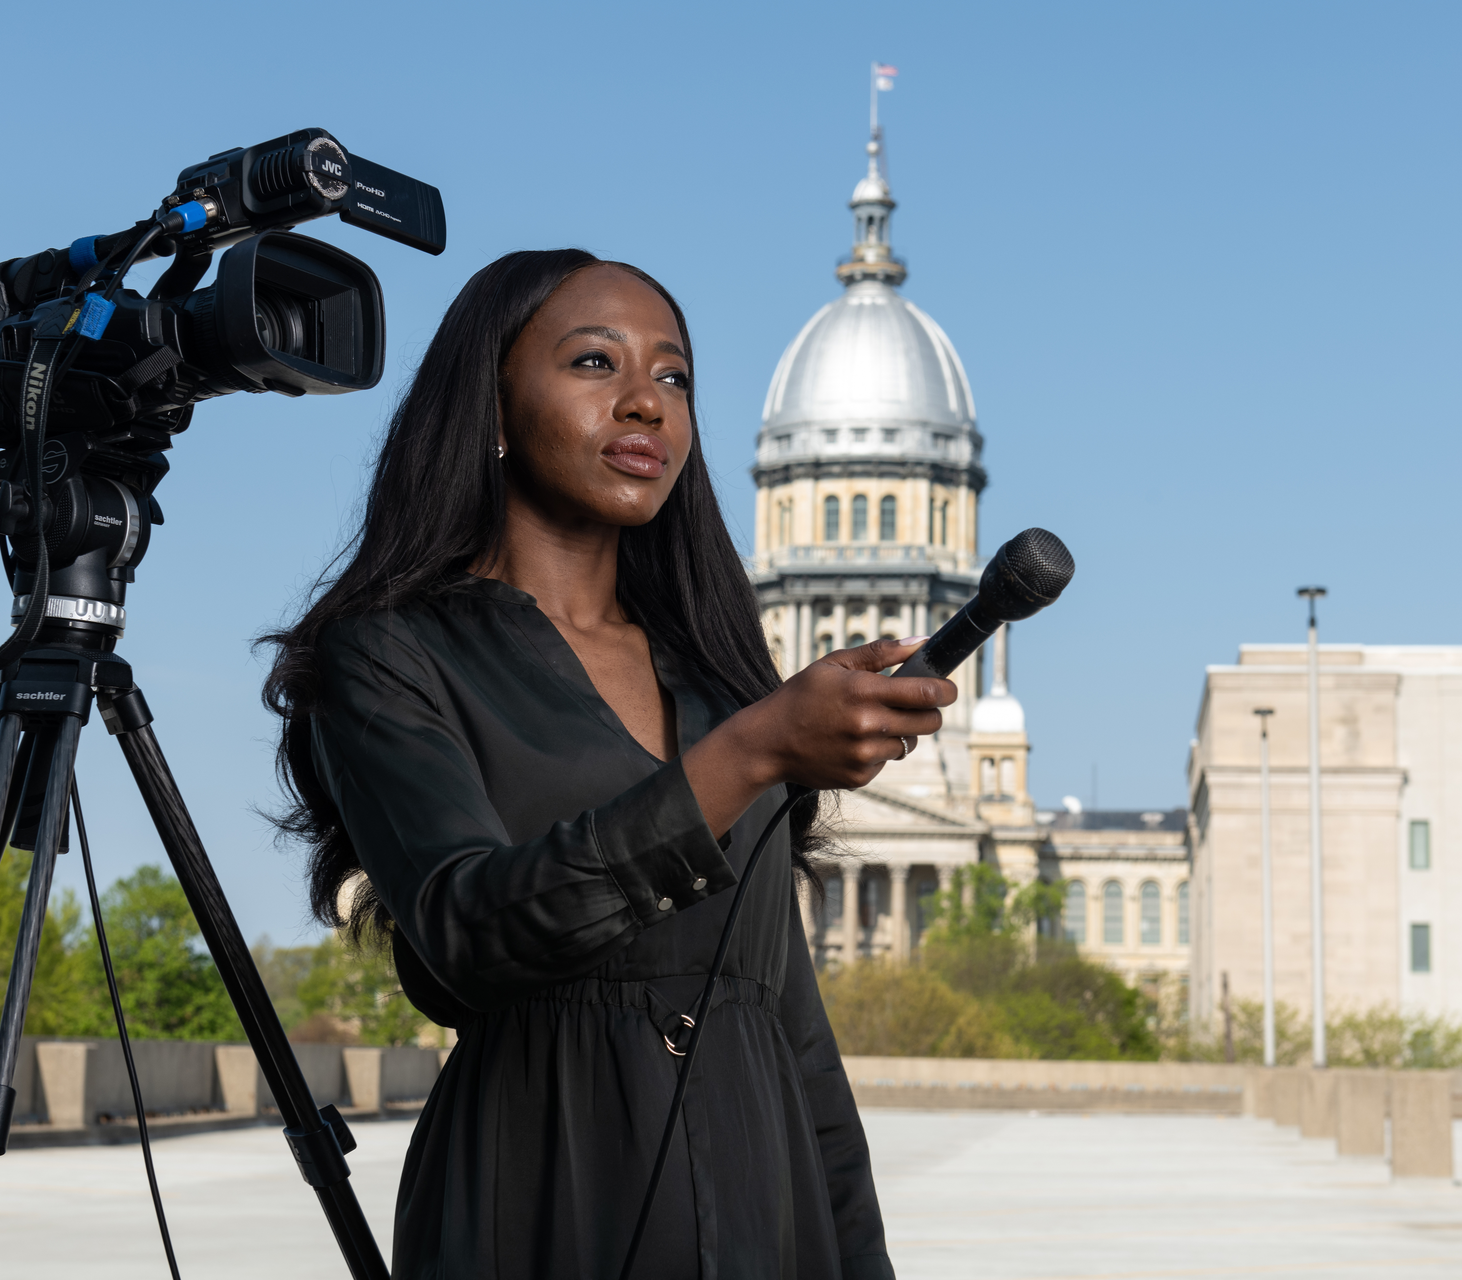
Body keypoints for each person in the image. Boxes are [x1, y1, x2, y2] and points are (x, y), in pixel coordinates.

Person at [263, 249, 956, 1279]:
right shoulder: (390, 652)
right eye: (596, 362)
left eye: (674, 377)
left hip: (768, 1214)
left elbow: (795, 1031)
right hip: (541, 1200)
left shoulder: (719, 679)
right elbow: (471, 929)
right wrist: (755, 749)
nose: (646, 402)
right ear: (490, 408)